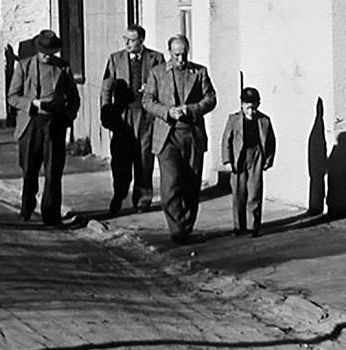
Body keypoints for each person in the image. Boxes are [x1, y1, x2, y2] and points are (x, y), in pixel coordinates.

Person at [141, 34, 217, 241]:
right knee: (171, 182)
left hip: (192, 134)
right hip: (167, 136)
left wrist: (191, 109)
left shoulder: (199, 72)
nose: (181, 60)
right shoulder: (157, 73)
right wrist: (167, 111)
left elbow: (210, 99)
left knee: (192, 183)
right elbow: (147, 100)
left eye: (183, 55)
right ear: (169, 53)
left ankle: (187, 227)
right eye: (176, 55)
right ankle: (176, 229)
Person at [8, 29, 80, 226]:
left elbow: (74, 98)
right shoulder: (24, 66)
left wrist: (68, 116)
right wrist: (32, 103)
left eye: (51, 53)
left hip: (54, 123)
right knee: (29, 169)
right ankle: (27, 207)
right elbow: (12, 97)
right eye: (44, 53)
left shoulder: (63, 68)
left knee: (53, 171)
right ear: (38, 51)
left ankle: (51, 214)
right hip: (31, 123)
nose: (48, 56)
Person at [99, 25, 165, 215]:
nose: (127, 43)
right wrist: (106, 110)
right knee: (120, 159)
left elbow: (163, 83)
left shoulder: (156, 58)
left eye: (132, 40)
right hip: (123, 116)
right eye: (125, 39)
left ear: (141, 40)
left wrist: (151, 88)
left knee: (144, 157)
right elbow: (106, 88)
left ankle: (143, 198)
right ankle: (119, 194)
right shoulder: (115, 59)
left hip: (145, 115)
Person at [219, 86, 276, 237]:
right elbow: (226, 141)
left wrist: (268, 159)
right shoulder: (233, 120)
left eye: (254, 107)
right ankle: (239, 226)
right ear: (242, 105)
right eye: (248, 107)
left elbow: (270, 141)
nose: (251, 111)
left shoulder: (264, 120)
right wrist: (227, 160)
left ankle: (253, 226)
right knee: (239, 193)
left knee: (254, 192)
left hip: (256, 156)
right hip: (239, 158)